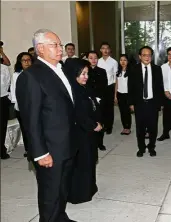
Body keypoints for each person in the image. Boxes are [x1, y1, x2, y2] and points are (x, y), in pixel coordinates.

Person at [16, 29, 77, 222]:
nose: (60, 49)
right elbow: (30, 119)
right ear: (40, 49)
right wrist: (40, 152)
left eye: (60, 45)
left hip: (66, 144)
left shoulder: (60, 69)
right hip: (49, 149)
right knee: (50, 194)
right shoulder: (31, 76)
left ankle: (60, 217)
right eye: (55, 45)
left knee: (62, 189)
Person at [64, 58, 102, 204]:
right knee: (81, 163)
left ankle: (90, 188)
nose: (86, 76)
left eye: (87, 73)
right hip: (80, 134)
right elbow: (79, 114)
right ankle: (79, 193)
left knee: (90, 160)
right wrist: (93, 125)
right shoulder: (73, 90)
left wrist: (98, 121)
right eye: (82, 73)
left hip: (89, 132)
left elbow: (94, 106)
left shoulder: (84, 87)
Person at [128, 46, 164, 157]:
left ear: (152, 56)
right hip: (139, 103)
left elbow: (160, 87)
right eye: (144, 55)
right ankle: (141, 148)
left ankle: (152, 147)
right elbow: (131, 88)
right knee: (140, 128)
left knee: (153, 127)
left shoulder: (157, 69)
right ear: (140, 56)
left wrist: (160, 104)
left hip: (153, 103)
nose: (147, 57)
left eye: (149, 55)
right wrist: (131, 103)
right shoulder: (134, 69)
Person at [10, 52, 33, 157]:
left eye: (29, 60)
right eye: (24, 60)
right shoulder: (16, 74)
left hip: (34, 106)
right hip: (21, 107)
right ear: (20, 62)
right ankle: (28, 149)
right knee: (25, 128)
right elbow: (14, 91)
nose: (27, 62)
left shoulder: (35, 73)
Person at [86, 50, 107, 151]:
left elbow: (104, 87)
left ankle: (100, 143)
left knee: (100, 121)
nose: (93, 60)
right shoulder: (85, 71)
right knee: (90, 122)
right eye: (91, 58)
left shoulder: (102, 71)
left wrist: (100, 98)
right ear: (87, 59)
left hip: (99, 100)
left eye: (95, 58)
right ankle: (91, 143)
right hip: (88, 100)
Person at [98, 42, 118, 135]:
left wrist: (115, 93)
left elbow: (115, 78)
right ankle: (102, 125)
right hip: (100, 87)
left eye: (107, 48)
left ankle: (109, 126)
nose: (105, 50)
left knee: (109, 108)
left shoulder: (114, 62)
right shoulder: (98, 61)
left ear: (109, 50)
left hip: (110, 87)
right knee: (101, 107)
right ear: (100, 50)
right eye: (103, 48)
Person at [114, 54, 132, 135]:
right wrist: (115, 96)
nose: (123, 62)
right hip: (120, 94)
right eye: (121, 60)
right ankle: (124, 127)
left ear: (128, 61)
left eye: (125, 60)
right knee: (122, 112)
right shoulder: (118, 71)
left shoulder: (131, 71)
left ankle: (128, 128)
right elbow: (116, 84)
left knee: (127, 112)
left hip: (128, 94)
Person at [1, 63, 11, 159]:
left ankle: (2, 149)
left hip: (2, 99)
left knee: (2, 125)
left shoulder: (4, 68)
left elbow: (8, 82)